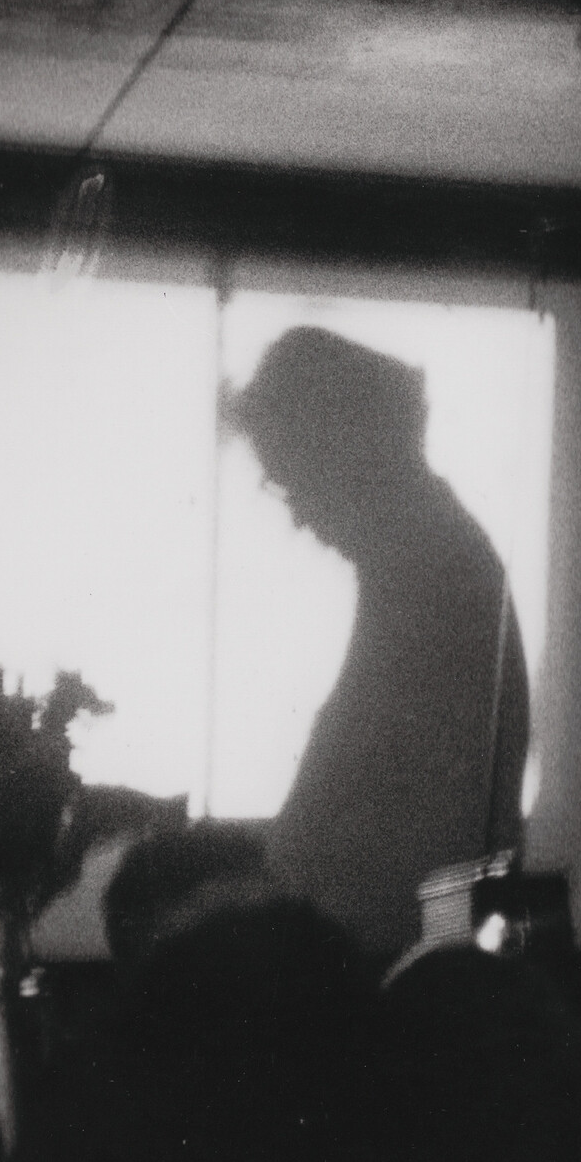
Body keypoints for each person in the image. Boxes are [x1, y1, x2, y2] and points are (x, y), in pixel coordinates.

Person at [226, 328, 529, 959]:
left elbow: (425, 837)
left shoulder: (434, 572)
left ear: (338, 452)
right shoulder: (435, 558)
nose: (298, 517)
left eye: (291, 481)